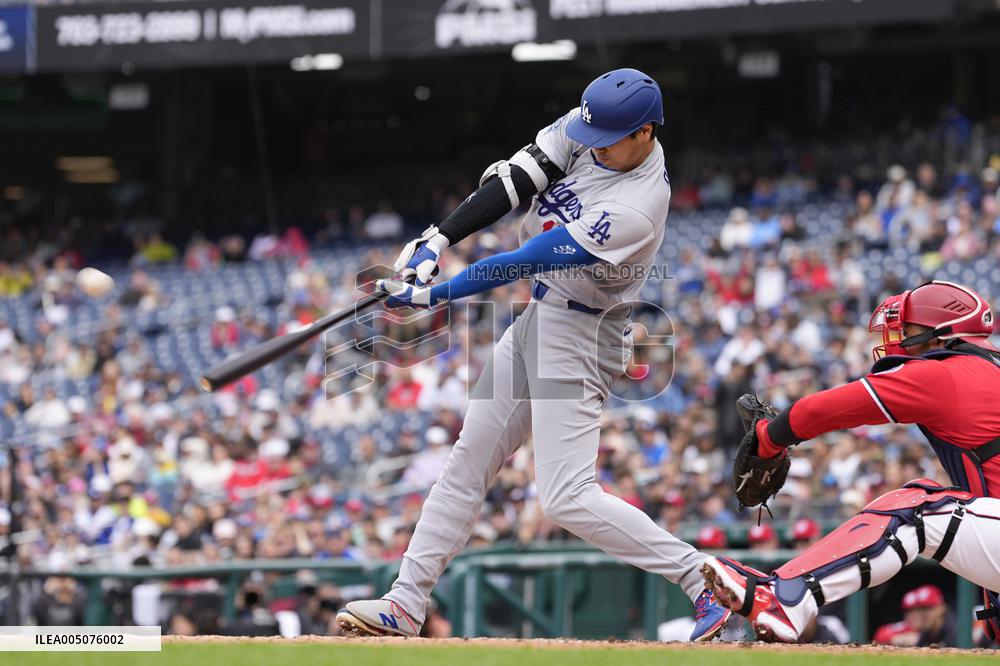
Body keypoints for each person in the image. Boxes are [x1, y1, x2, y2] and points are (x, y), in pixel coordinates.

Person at [336, 68, 729, 641]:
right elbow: (517, 180)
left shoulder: (639, 203)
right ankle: (405, 603)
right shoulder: (593, 124)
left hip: (585, 334)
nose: (591, 144)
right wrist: (436, 240)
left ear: (646, 132)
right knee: (466, 463)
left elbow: (530, 256)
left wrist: (433, 294)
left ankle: (704, 580)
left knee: (566, 497)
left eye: (610, 138)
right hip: (540, 319)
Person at [701, 280, 1000, 645]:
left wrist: (768, 437)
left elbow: (825, 409)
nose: (897, 337)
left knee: (915, 509)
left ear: (941, 334)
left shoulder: (949, 373)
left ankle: (785, 598)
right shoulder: (984, 371)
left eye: (909, 330)